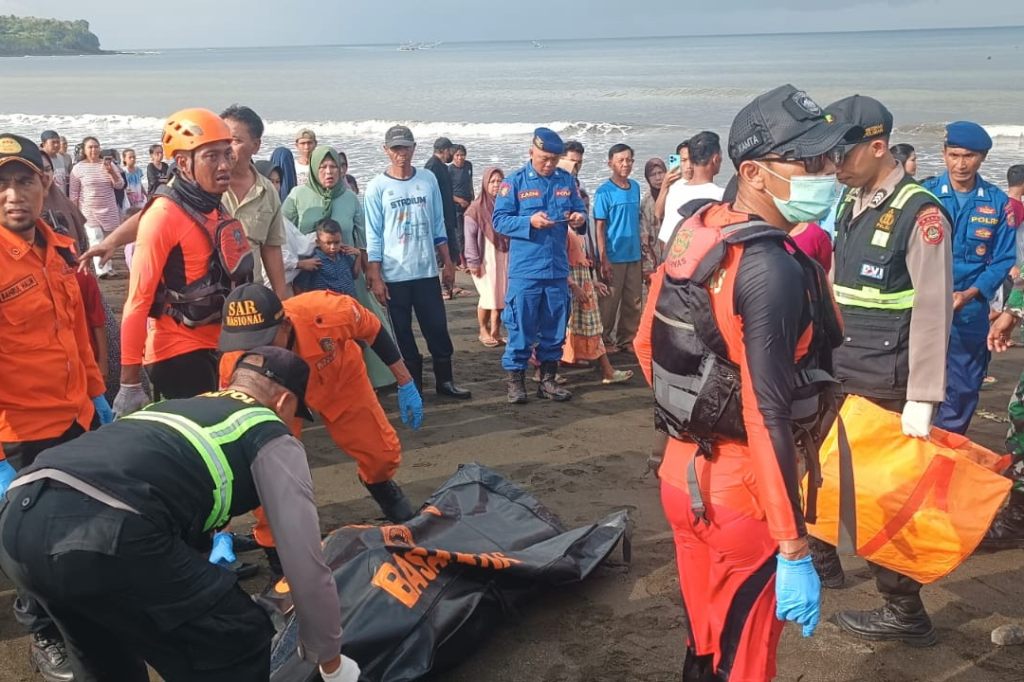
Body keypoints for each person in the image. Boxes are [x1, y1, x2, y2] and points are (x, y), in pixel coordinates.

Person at [635, 84, 857, 681]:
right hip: (744, 497)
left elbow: (644, 342)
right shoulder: (772, 266)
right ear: (754, 171)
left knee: (706, 637)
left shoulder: (698, 229)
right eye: (808, 161)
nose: (827, 171)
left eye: (829, 158)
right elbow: (766, 412)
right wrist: (792, 546)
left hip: (680, 478)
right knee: (749, 659)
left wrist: (691, 416)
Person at [0, 346, 360, 682]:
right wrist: (329, 660)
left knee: (105, 655)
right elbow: (304, 561)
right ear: (283, 402)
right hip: (108, 532)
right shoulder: (267, 431)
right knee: (236, 638)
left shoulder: (168, 410)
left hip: (19, 519)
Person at [814, 95, 953, 646]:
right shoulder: (854, 201)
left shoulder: (920, 214)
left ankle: (905, 610)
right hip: (841, 371)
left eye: (840, 152)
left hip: (886, 383)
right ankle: (824, 560)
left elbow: (933, 309)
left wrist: (922, 396)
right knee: (820, 472)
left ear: (877, 147)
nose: (831, 164)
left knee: (878, 498)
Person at [0, 133, 113, 682]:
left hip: (74, 418)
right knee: (25, 544)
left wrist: (97, 395)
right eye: (0, 183)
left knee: (74, 529)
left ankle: (81, 616)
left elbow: (73, 334)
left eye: (23, 179)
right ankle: (42, 630)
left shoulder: (59, 248)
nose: (12, 194)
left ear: (46, 183)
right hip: (16, 432)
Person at [218, 284, 422, 544]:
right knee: (269, 472)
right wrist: (220, 529)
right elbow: (230, 432)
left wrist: (405, 381)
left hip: (338, 378)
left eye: (263, 342)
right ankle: (274, 544)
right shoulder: (234, 360)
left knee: (381, 452)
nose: (257, 352)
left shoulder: (328, 312)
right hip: (272, 396)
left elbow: (373, 330)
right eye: (247, 344)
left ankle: (381, 485)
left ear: (285, 326)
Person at [113, 108, 241, 415]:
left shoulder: (214, 206)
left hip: (218, 345)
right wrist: (130, 383)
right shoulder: (163, 216)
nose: (224, 165)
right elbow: (137, 301)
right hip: (177, 353)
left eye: (227, 154)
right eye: (211, 156)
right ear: (183, 162)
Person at [921, 122, 1016, 435]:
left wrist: (970, 293)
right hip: (922, 305)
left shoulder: (997, 202)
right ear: (944, 154)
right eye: (954, 155)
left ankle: (947, 454)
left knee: (963, 388)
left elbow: (1003, 258)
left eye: (969, 156)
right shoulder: (924, 194)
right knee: (916, 384)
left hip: (970, 308)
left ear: (983, 158)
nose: (960, 164)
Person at [364, 126, 471, 399]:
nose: (401, 153)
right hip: (394, 274)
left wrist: (448, 263)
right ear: (386, 150)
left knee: (436, 327)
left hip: (425, 271)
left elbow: (438, 224)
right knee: (402, 333)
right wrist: (375, 276)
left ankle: (445, 382)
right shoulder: (377, 187)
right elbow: (373, 235)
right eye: (395, 148)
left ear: (414, 148)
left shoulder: (427, 179)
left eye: (405, 147)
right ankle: (413, 387)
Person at [284, 145, 398, 389]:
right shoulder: (297, 195)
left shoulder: (349, 198)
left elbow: (365, 237)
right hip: (311, 279)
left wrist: (370, 270)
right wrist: (295, 266)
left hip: (349, 277)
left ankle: (371, 380)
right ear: (314, 169)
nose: (329, 172)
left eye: (333, 166)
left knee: (360, 329)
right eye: (323, 167)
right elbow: (280, 233)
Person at [493, 127, 588, 403]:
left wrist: (578, 218)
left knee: (555, 328)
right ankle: (516, 382)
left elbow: (580, 210)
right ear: (531, 152)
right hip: (526, 270)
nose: (549, 164)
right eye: (544, 158)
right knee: (521, 327)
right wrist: (528, 222)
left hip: (557, 269)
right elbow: (499, 221)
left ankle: (547, 380)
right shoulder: (515, 183)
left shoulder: (565, 181)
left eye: (554, 160)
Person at [220, 104, 288, 298]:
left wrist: (282, 300)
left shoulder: (267, 191)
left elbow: (271, 248)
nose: (226, 147)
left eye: (235, 140)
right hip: (207, 298)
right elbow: (160, 209)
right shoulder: (201, 183)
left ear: (255, 146)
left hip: (249, 298)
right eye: (222, 139)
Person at [563, 215, 633, 385]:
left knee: (587, 327)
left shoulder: (577, 233)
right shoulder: (563, 234)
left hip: (581, 285)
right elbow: (559, 263)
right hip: (573, 287)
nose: (577, 217)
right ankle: (544, 369)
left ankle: (606, 370)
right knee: (567, 327)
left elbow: (578, 264)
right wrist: (574, 286)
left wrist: (592, 283)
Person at [594, 143, 643, 353]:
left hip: (634, 253)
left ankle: (627, 339)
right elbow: (599, 226)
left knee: (634, 300)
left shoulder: (635, 187)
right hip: (613, 255)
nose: (625, 164)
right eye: (621, 160)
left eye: (629, 160)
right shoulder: (604, 192)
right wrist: (603, 257)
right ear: (610, 163)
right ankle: (603, 339)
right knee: (610, 301)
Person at [463, 166, 509, 347]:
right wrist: (473, 261)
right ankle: (483, 329)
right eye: (492, 181)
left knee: (500, 295)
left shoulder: (506, 205)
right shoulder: (475, 209)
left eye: (499, 181)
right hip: (485, 257)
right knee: (488, 296)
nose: (496, 185)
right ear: (485, 183)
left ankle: (496, 331)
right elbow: (470, 238)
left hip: (503, 255)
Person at [254, 159, 314, 290]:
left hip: (282, 283)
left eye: (278, 182)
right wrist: (298, 264)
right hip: (264, 286)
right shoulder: (255, 214)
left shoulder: (276, 213)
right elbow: (272, 254)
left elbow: (301, 243)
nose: (274, 186)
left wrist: (321, 237)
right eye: (270, 181)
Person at [70, 136, 124, 278]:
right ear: (84, 150)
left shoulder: (109, 165)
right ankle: (101, 270)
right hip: (89, 209)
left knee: (109, 240)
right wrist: (75, 213)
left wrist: (111, 171)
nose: (94, 149)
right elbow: (74, 193)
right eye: (90, 147)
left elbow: (120, 185)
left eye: (96, 146)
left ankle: (108, 266)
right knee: (95, 239)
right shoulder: (78, 168)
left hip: (109, 207)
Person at [657, 131, 724, 244]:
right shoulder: (721, 196)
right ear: (715, 159)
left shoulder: (674, 191)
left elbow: (665, 239)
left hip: (673, 258)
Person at [424, 136, 463, 282]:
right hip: (440, 220)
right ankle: (445, 288)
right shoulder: (432, 167)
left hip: (448, 217)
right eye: (450, 151)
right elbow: (428, 194)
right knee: (442, 255)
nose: (452, 154)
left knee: (453, 253)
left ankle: (451, 286)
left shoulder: (442, 167)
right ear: (444, 150)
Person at [293, 218, 360, 296]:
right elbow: (298, 286)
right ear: (318, 242)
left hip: (348, 304)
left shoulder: (344, 256)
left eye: (337, 242)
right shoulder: (315, 262)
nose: (333, 247)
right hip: (326, 306)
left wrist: (358, 256)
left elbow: (355, 275)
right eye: (328, 243)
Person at [640, 157, 666, 282]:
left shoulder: (675, 194)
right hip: (654, 254)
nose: (658, 178)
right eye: (653, 175)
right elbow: (644, 235)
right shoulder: (646, 201)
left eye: (660, 173)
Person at [653, 140, 691, 224]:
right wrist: (665, 186)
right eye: (684, 160)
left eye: (692, 160)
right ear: (678, 161)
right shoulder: (672, 183)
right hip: (671, 235)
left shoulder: (703, 183)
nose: (688, 165)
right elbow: (658, 213)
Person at [449, 145, 474, 238]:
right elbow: (447, 192)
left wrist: (473, 199)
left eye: (462, 155)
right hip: (456, 205)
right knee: (460, 233)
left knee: (470, 230)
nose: (460, 158)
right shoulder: (449, 170)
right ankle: (460, 252)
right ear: (453, 156)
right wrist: (460, 201)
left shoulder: (468, 165)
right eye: (457, 155)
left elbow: (470, 182)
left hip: (469, 203)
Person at [40, 130, 68, 194]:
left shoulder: (61, 157)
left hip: (61, 197)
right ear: (44, 144)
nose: (56, 145)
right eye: (53, 142)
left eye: (58, 142)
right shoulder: (40, 159)